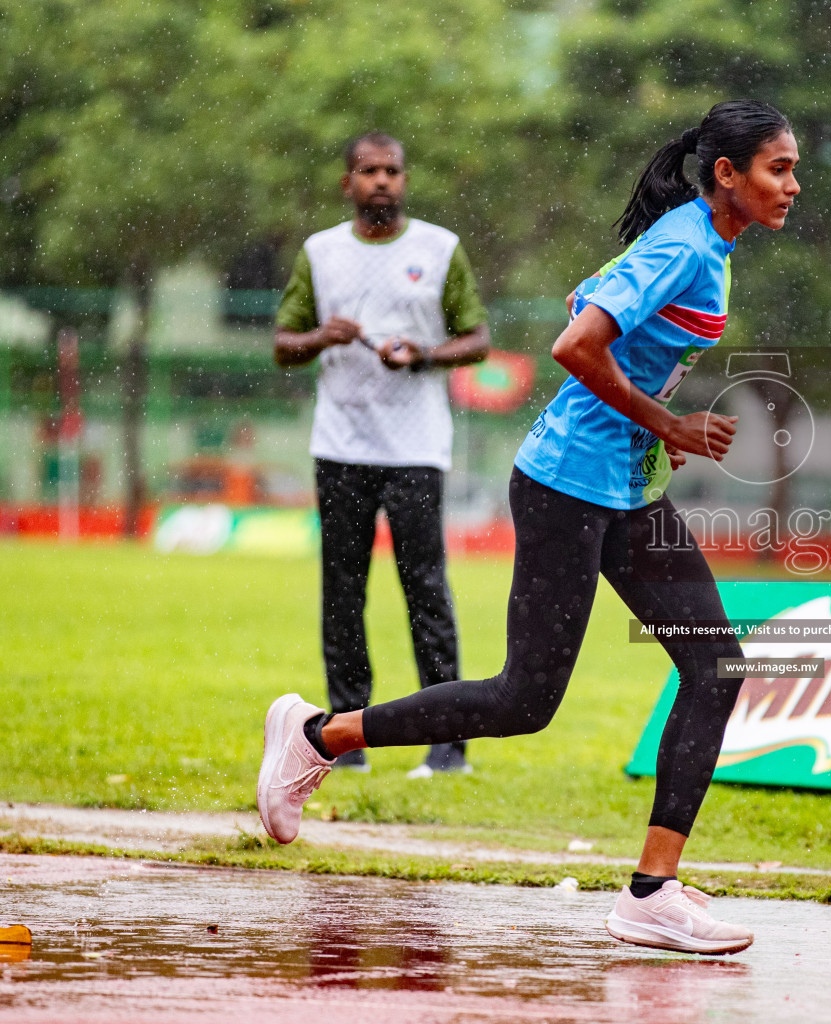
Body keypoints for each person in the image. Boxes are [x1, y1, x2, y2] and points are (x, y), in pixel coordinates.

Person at [257, 100, 800, 955]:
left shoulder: (709, 245)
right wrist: (670, 424)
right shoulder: (683, 244)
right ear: (727, 174)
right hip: (566, 487)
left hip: (625, 490)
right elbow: (575, 345)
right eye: (779, 169)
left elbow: (615, 342)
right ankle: (318, 734)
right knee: (523, 700)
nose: (793, 186)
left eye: (793, 168)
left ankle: (652, 894)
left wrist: (657, 426)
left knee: (715, 664)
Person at [273, 132, 491, 778]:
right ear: (348, 184)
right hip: (340, 448)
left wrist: (423, 354)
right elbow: (284, 343)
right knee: (343, 592)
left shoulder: (439, 248)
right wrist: (321, 335)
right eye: (368, 171)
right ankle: (347, 742)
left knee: (425, 589)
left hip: (417, 448)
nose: (381, 181)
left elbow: (477, 338)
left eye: (391, 170)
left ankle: (447, 748)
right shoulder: (321, 253)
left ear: (405, 179)